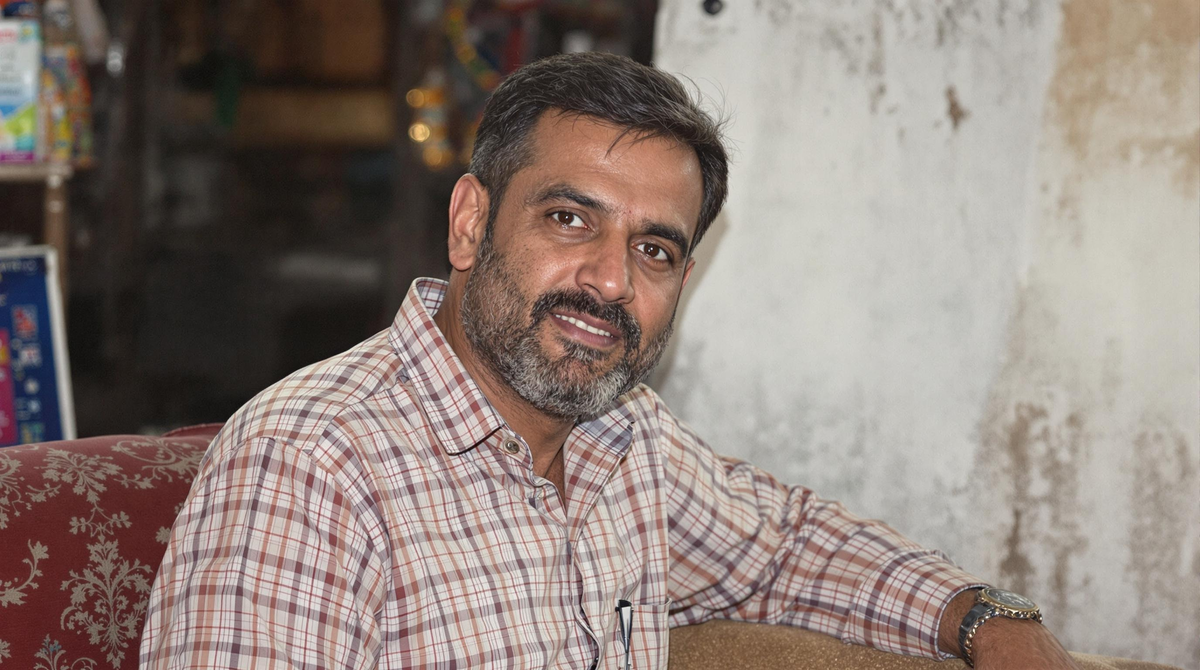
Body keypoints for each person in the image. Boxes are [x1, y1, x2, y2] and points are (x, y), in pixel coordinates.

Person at [140, 52, 1079, 669]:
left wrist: (985, 615)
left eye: (654, 249)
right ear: (470, 223)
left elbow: (785, 547)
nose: (610, 280)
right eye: (569, 218)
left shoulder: (620, 438)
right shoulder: (311, 466)